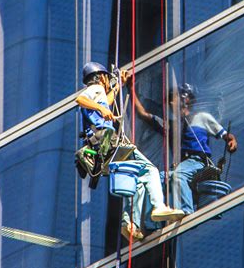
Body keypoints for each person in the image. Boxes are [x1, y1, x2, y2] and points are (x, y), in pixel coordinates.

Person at [76, 62, 184, 242]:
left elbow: (108, 101)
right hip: (107, 143)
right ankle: (158, 206)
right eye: (106, 78)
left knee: (138, 180)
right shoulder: (95, 87)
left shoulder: (100, 93)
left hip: (103, 146)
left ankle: (129, 224)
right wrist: (102, 109)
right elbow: (80, 99)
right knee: (150, 170)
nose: (106, 82)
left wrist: (119, 86)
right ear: (100, 77)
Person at [124, 74, 237, 215]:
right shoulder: (171, 126)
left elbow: (225, 135)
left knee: (178, 176)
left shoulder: (202, 118)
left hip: (197, 163)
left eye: (174, 98)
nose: (171, 103)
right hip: (183, 166)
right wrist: (130, 89)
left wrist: (231, 141)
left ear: (186, 99)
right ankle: (154, 220)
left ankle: (187, 211)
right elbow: (143, 114)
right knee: (154, 179)